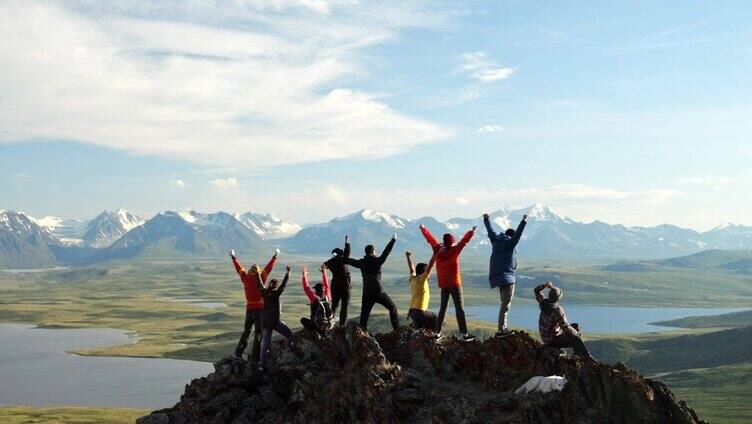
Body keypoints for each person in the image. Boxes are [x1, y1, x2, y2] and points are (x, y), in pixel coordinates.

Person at [419, 224, 476, 341]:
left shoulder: (437, 249)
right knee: (459, 309)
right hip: (454, 283)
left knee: (443, 308)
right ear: (452, 242)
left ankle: (437, 333)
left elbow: (430, 239)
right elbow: (464, 241)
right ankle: (464, 334)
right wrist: (471, 232)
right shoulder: (455, 250)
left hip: (443, 284)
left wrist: (423, 229)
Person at [229, 248, 279, 361]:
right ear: (258, 271)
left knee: (246, 331)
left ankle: (238, 352)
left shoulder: (245, 278)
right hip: (259, 310)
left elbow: (239, 269)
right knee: (258, 333)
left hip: (249, 310)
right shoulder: (261, 278)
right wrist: (275, 257)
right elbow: (268, 268)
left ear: (250, 270)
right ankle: (255, 357)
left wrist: (233, 257)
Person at [483, 213, 528, 336]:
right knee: (506, 305)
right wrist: (523, 221)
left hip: (498, 278)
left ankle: (503, 327)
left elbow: (490, 231)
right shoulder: (510, 243)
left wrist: (486, 219)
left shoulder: (496, 241)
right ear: (511, 237)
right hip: (508, 278)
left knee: (503, 303)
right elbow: (517, 235)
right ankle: (502, 329)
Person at [345, 234, 399, 331]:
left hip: (367, 293)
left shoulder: (361, 262)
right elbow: (386, 252)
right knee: (392, 308)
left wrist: (347, 244)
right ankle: (397, 330)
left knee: (364, 317)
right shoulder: (378, 260)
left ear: (365, 252)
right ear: (373, 252)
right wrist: (393, 240)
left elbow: (348, 260)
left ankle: (362, 335)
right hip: (378, 291)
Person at [534, 282, 593, 359]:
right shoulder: (557, 310)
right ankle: (587, 358)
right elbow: (566, 327)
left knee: (576, 326)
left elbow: (536, 290)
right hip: (552, 339)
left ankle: (576, 353)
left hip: (545, 336)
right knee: (576, 339)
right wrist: (577, 335)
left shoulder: (543, 302)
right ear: (558, 298)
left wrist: (545, 285)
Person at [257, 265, 295, 370]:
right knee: (289, 334)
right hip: (275, 322)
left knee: (265, 343)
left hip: (265, 322)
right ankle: (287, 353)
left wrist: (257, 274)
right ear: (276, 286)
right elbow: (284, 284)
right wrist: (288, 272)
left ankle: (262, 366)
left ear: (269, 285)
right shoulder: (276, 293)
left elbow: (259, 283)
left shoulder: (264, 292)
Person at [405, 251, 438, 332]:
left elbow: (411, 268)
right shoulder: (422, 279)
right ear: (424, 272)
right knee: (439, 319)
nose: (429, 273)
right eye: (426, 271)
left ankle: (422, 335)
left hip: (412, 312)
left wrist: (408, 257)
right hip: (420, 312)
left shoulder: (413, 279)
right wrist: (434, 255)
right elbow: (430, 266)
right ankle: (435, 336)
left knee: (420, 330)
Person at [300, 263, 334, 335]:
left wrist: (304, 276)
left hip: (319, 325)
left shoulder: (315, 299)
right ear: (323, 289)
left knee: (303, 320)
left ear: (315, 291)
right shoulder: (327, 296)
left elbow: (306, 288)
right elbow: (327, 286)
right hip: (330, 324)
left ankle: (317, 332)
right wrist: (324, 273)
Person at [325, 235, 351, 326]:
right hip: (345, 287)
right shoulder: (343, 260)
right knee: (345, 306)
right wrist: (347, 242)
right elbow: (347, 252)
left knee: (334, 306)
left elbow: (324, 265)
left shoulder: (331, 262)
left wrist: (332, 259)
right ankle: (342, 324)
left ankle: (328, 322)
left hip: (335, 286)